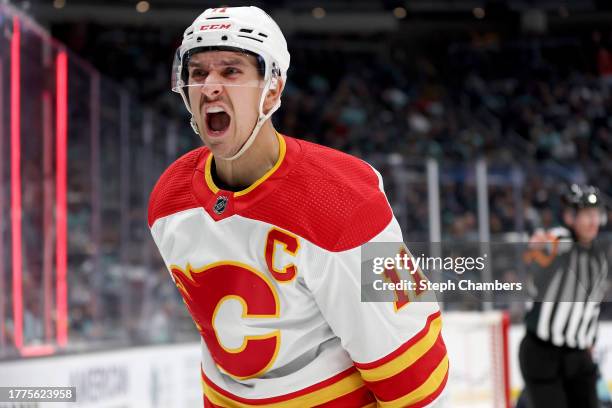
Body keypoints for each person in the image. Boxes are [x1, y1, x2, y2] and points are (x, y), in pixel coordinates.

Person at [148, 6, 448, 407]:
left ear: (272, 89)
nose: (210, 86)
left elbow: (417, 376)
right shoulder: (170, 200)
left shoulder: (345, 200)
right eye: (198, 73)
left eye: (231, 71)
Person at [520, 184, 608, 408]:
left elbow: (592, 306)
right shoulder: (563, 241)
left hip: (579, 357)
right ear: (570, 217)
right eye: (587, 215)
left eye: (596, 214)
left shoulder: (600, 257)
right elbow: (547, 245)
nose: (593, 221)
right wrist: (539, 244)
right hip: (543, 353)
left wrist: (589, 341)